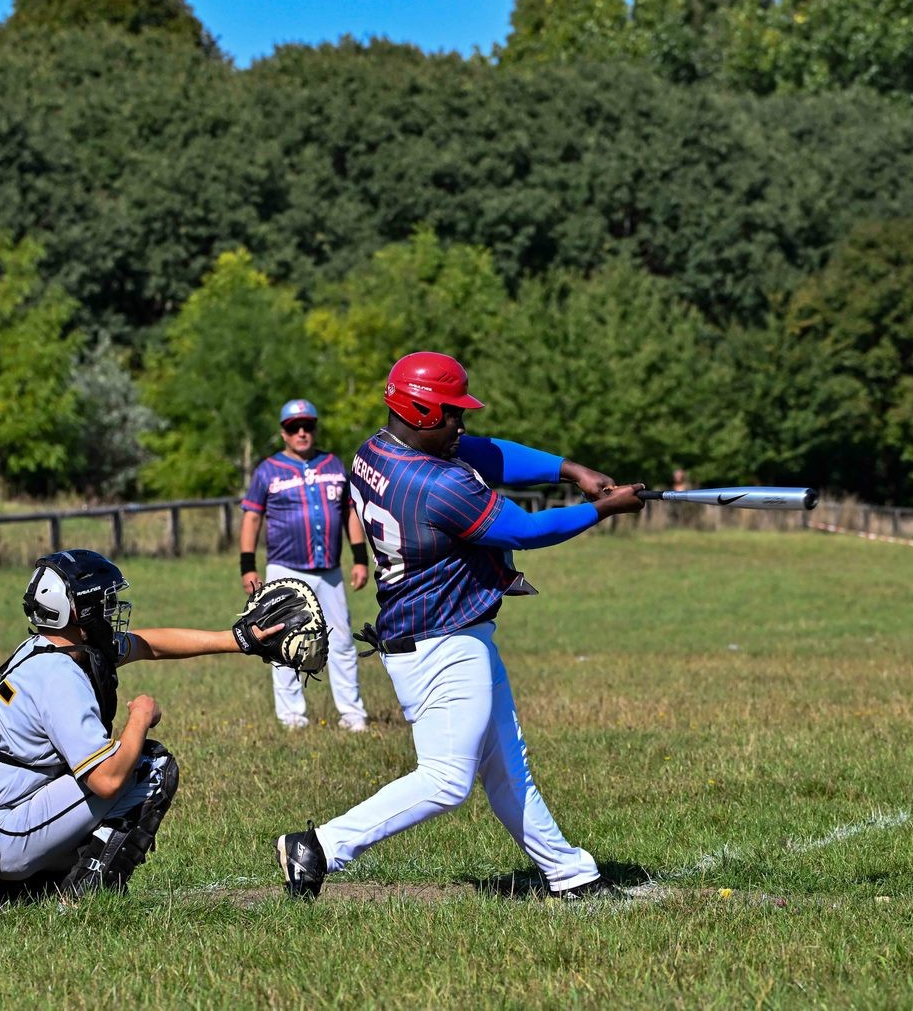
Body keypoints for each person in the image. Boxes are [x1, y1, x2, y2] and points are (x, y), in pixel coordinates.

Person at [274, 351, 651, 901]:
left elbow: (488, 453)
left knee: (508, 769)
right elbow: (524, 531)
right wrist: (603, 509)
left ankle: (571, 875)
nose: (460, 423)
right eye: (451, 413)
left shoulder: (376, 449)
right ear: (421, 413)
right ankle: (320, 846)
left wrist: (571, 471)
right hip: (439, 640)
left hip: (448, 631)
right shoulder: (438, 483)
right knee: (447, 780)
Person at [0, 549, 291, 904]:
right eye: (103, 602)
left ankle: (2, 888)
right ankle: (84, 897)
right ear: (76, 611)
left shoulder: (46, 648)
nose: (111, 610)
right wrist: (140, 717)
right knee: (148, 767)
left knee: (106, 778)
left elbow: (149, 645)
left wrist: (239, 640)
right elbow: (107, 781)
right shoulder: (59, 676)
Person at [240, 399, 370, 732]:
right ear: (283, 432)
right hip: (285, 568)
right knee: (283, 641)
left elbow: (349, 512)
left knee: (341, 641)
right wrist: (248, 566)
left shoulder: (333, 464)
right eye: (293, 427)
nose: (301, 432)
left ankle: (352, 714)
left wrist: (359, 558)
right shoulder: (268, 470)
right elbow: (252, 517)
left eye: (307, 426)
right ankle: (292, 717)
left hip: (329, 570)